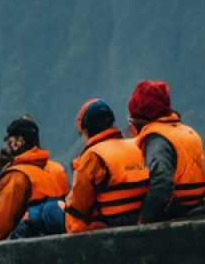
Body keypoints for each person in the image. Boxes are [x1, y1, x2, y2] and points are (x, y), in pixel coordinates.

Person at [64, 98, 153, 233]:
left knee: (72, 213)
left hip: (113, 224)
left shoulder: (93, 156)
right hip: (144, 217)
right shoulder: (137, 145)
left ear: (87, 131)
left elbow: (78, 205)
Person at [127, 81, 205, 222]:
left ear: (140, 119)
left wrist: (143, 219)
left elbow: (161, 185)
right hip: (197, 206)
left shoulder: (157, 139)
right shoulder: (186, 131)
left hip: (175, 211)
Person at [0, 115, 68, 241]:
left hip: (30, 243)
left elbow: (1, 225)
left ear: (19, 142)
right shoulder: (57, 169)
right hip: (60, 239)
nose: (7, 146)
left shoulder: (17, 175)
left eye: (9, 141)